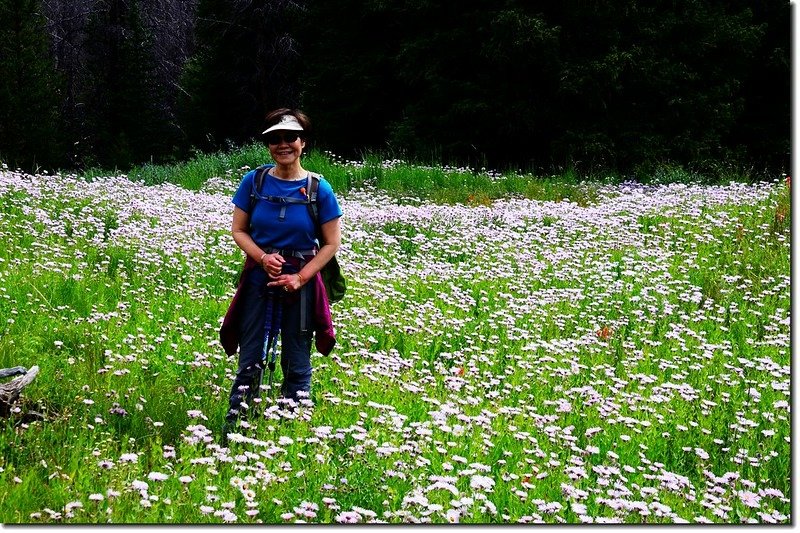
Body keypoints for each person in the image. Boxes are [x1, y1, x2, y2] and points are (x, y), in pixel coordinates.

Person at [220, 108, 342, 430]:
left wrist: (300, 277)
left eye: (290, 137)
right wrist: (263, 258)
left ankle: (295, 434)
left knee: (297, 360)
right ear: (268, 144)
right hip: (260, 278)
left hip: (301, 282)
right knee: (250, 359)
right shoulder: (254, 182)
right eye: (275, 139)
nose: (283, 144)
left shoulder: (319, 189)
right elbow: (239, 230)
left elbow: (331, 243)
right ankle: (236, 431)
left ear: (303, 143)